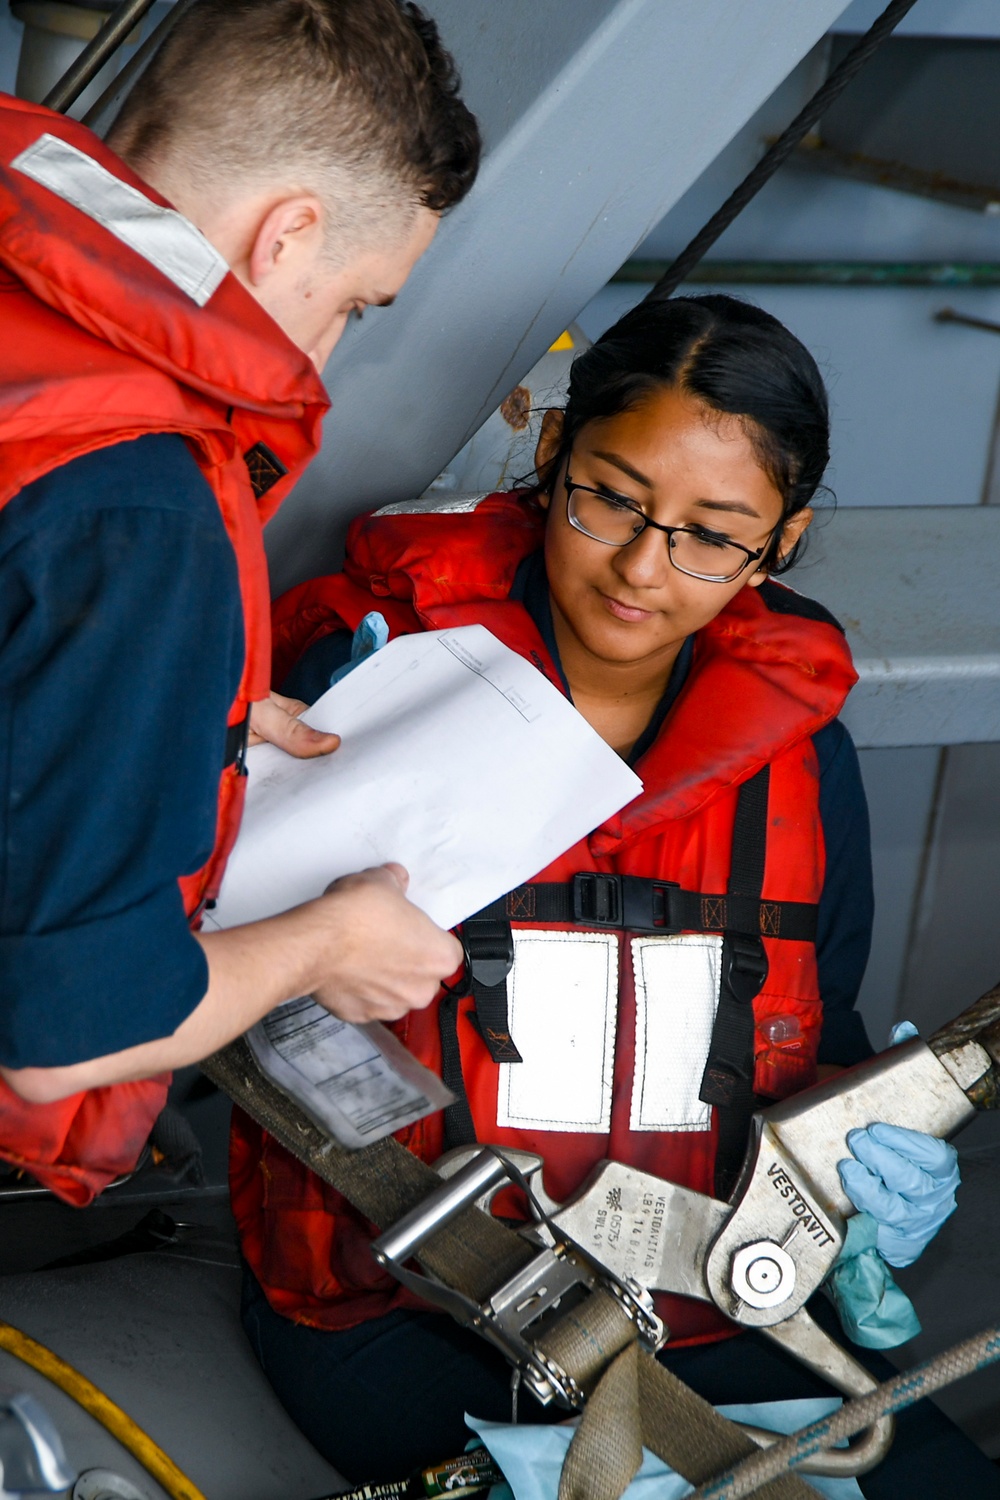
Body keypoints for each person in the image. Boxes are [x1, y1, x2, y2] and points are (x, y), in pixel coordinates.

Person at [232, 294, 991, 1497]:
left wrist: (861, 1197)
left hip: (716, 1311)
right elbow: (211, 974)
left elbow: (815, 1027)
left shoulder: (799, 755)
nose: (643, 566)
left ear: (781, 540)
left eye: (712, 534)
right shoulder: (388, 669)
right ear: (549, 456)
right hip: (410, 1312)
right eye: (611, 498)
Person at [0, 0, 476, 1202]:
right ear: (288, 234)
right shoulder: (140, 507)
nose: (322, 358)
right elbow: (64, 1039)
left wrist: (165, 702)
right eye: (357, 304)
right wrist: (331, 944)